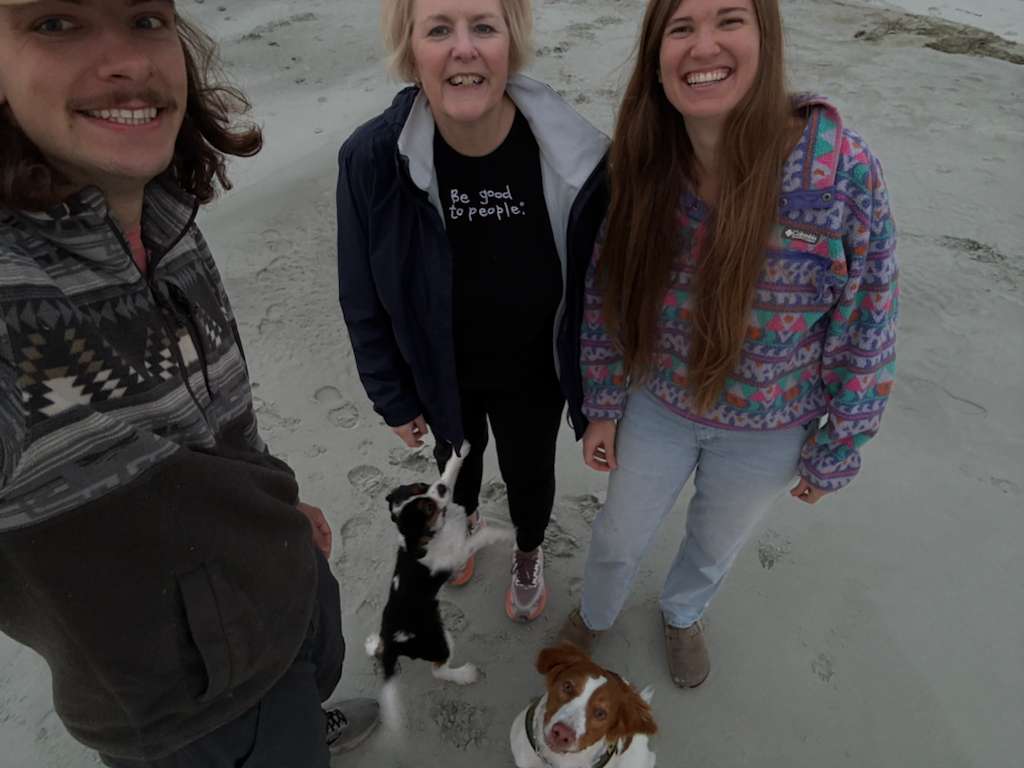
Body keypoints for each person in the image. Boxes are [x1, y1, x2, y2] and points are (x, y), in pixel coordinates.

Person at [0, 1, 378, 765]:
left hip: (278, 573)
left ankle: (304, 721)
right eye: (55, 22)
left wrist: (267, 502)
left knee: (305, 687)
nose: (128, 60)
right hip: (194, 713)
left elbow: (207, 423)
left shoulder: (164, 208)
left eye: (146, 18)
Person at [558, 0, 898, 688]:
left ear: (765, 36)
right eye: (681, 28)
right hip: (657, 404)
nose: (703, 45)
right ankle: (595, 613)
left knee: (715, 544)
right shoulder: (643, 163)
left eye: (729, 20)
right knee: (617, 534)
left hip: (770, 428)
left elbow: (869, 321)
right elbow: (607, 293)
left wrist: (839, 447)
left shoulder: (842, 172)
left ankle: (682, 614)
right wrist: (603, 405)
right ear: (657, 59)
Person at [336, 0, 608, 621]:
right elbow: (360, 295)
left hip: (535, 374)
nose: (464, 48)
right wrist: (392, 396)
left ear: (512, 42)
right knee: (457, 461)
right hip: (441, 368)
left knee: (531, 474)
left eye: (484, 26)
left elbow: (606, 298)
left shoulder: (577, 158)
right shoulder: (372, 159)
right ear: (411, 50)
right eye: (439, 29)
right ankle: (464, 525)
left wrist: (602, 402)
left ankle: (528, 550)